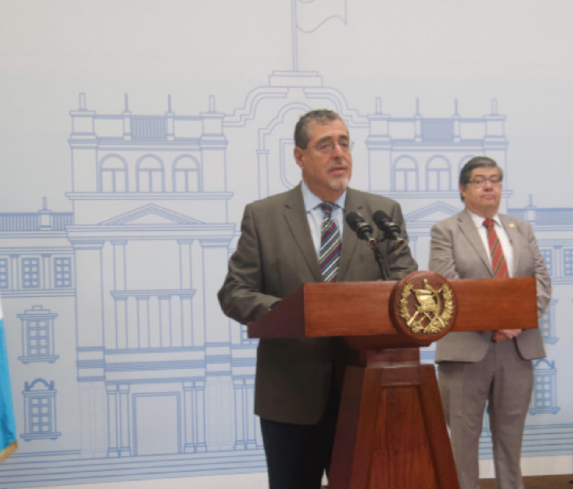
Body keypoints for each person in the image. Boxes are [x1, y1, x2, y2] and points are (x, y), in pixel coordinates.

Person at [218, 109, 418, 489]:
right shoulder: (264, 216)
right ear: (299, 157)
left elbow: (405, 286)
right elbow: (235, 293)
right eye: (325, 145)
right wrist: (286, 312)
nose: (338, 153)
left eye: (344, 143)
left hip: (368, 389)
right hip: (291, 395)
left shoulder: (380, 213)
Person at [429, 156, 552, 489]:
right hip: (467, 350)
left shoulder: (520, 229)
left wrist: (516, 323)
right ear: (463, 189)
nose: (489, 186)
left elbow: (541, 281)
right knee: (463, 446)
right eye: (480, 180)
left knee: (510, 443)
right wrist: (493, 324)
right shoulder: (445, 230)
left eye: (495, 180)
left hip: (517, 348)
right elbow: (447, 286)